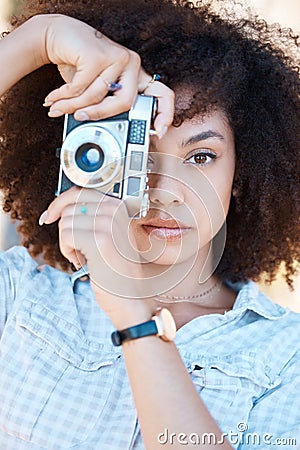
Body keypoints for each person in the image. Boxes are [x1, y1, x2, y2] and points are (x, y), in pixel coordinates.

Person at [0, 0, 299, 448]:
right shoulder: (20, 295)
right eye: (140, 157)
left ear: (244, 171)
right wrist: (38, 40)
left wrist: (133, 311)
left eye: (201, 157)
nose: (167, 190)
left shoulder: (286, 356)